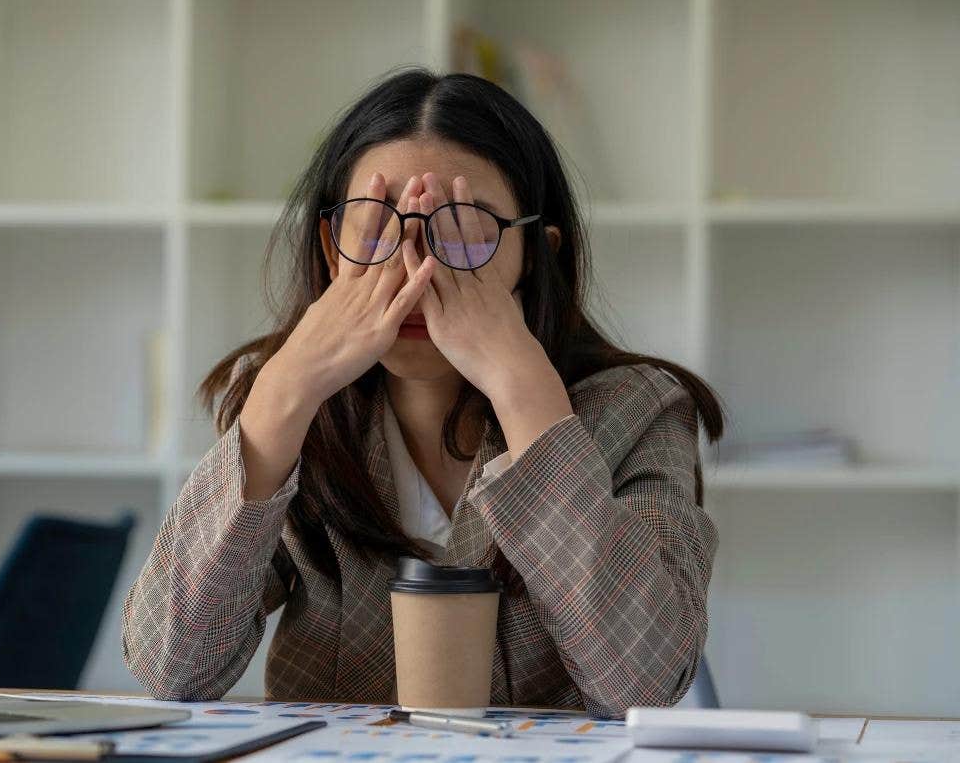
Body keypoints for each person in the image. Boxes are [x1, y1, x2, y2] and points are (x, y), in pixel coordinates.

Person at [121, 68, 724, 719]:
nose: (414, 266)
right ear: (331, 248)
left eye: (462, 228)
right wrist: (283, 394)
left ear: (536, 255)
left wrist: (528, 397)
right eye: (376, 224)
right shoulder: (287, 405)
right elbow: (168, 668)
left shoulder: (640, 409)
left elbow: (645, 684)